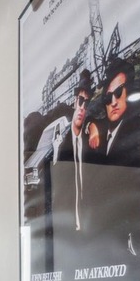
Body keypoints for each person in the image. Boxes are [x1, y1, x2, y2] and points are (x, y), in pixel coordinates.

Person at [55, 69, 94, 230]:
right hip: (68, 231)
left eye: (87, 103)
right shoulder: (62, 147)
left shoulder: (90, 143)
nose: (82, 107)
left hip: (91, 229)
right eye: (80, 101)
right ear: (74, 102)